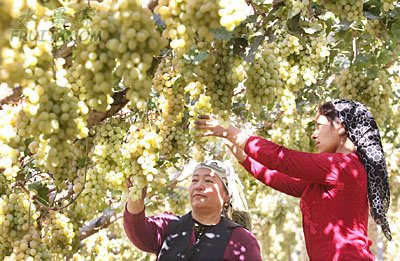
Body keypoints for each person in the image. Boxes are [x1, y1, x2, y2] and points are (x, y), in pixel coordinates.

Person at [195, 99, 392, 261]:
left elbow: (283, 158)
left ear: (340, 127)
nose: (314, 134)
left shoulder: (341, 167)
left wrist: (229, 132)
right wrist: (241, 155)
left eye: (318, 126)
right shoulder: (330, 175)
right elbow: (281, 180)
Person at [123, 159, 262, 261]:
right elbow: (138, 232)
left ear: (226, 196)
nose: (199, 186)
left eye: (208, 181)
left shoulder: (241, 240)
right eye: (194, 180)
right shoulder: (169, 226)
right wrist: (136, 198)